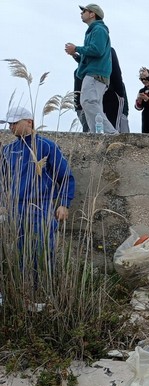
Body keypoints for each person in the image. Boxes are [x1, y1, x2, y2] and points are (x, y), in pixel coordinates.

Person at [0, 106, 75, 270]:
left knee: (43, 253)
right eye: (9, 123)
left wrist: (64, 203)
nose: (10, 127)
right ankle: (24, 293)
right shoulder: (8, 150)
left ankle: (45, 292)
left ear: (29, 122)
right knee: (21, 256)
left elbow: (64, 176)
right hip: (15, 209)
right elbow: (2, 180)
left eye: (14, 123)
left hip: (40, 207)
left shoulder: (46, 146)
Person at [65, 4, 116, 134]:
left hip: (95, 75)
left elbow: (97, 50)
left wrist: (76, 48)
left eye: (84, 11)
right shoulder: (96, 30)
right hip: (98, 74)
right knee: (93, 105)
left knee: (88, 102)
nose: (81, 13)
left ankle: (110, 133)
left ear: (92, 14)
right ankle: (98, 135)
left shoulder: (98, 29)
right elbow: (92, 57)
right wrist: (76, 55)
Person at [104, 48, 129, 133]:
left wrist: (120, 93)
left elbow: (117, 72)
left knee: (114, 124)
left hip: (113, 92)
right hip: (102, 91)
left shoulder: (109, 51)